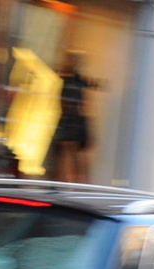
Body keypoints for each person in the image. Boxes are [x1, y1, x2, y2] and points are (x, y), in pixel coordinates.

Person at [51, 52, 91, 184]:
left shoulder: (74, 82)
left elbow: (70, 101)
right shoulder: (71, 81)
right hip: (70, 119)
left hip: (72, 119)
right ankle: (63, 181)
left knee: (69, 153)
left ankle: (71, 181)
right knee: (66, 152)